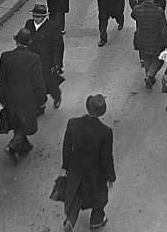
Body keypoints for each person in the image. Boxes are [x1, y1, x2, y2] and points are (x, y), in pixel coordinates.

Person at [61, 94, 115, 232]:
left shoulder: (73, 123)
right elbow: (106, 158)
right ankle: (96, 220)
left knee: (76, 195)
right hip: (95, 173)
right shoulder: (105, 132)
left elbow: (66, 147)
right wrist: (110, 177)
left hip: (76, 168)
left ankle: (70, 221)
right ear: (102, 111)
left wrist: (66, 166)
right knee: (100, 196)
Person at [0, 27, 46, 163]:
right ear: (29, 42)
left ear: (16, 41)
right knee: (26, 124)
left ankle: (24, 146)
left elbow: (1, 79)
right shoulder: (34, 58)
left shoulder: (5, 56)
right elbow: (38, 82)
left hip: (10, 97)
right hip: (27, 98)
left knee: (17, 121)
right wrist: (42, 99)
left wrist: (1, 98)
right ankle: (12, 146)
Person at [25, 3, 64, 110]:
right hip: (32, 60)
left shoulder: (53, 27)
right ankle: (39, 106)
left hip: (46, 61)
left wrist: (57, 63)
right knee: (34, 84)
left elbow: (58, 46)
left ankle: (56, 95)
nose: (35, 19)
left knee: (49, 83)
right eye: (34, 16)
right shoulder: (29, 24)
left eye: (38, 17)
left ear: (44, 17)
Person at [131, 0, 167, 89]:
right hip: (156, 40)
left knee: (146, 58)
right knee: (159, 59)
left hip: (141, 39)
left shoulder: (137, 9)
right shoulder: (158, 11)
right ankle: (150, 76)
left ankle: (150, 77)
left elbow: (133, 16)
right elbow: (163, 29)